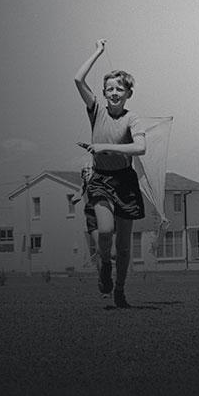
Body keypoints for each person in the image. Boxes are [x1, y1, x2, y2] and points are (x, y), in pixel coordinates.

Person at [74, 39, 145, 309]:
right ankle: (104, 263)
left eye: (120, 89)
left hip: (125, 181)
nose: (114, 92)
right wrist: (98, 52)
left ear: (128, 93)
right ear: (103, 93)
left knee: (125, 247)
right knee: (105, 230)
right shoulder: (96, 111)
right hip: (101, 179)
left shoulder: (132, 119)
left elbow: (141, 147)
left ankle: (120, 290)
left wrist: (104, 146)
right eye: (109, 89)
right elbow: (78, 79)